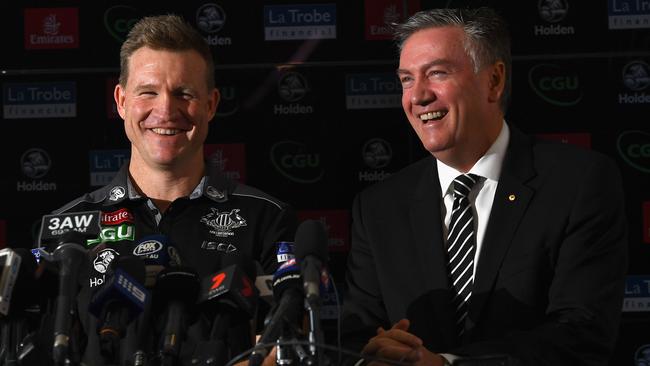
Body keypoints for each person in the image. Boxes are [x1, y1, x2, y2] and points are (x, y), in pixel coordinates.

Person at [342, 7, 628, 366]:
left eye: (437, 73)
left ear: (493, 81)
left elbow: (581, 333)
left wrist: (446, 363)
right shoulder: (378, 207)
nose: (418, 96)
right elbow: (356, 337)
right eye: (406, 80)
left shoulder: (579, 183)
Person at [38, 14, 296, 366]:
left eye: (183, 93)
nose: (165, 110)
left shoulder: (266, 219)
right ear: (121, 100)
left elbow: (292, 347)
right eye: (148, 92)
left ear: (210, 104)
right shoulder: (65, 229)